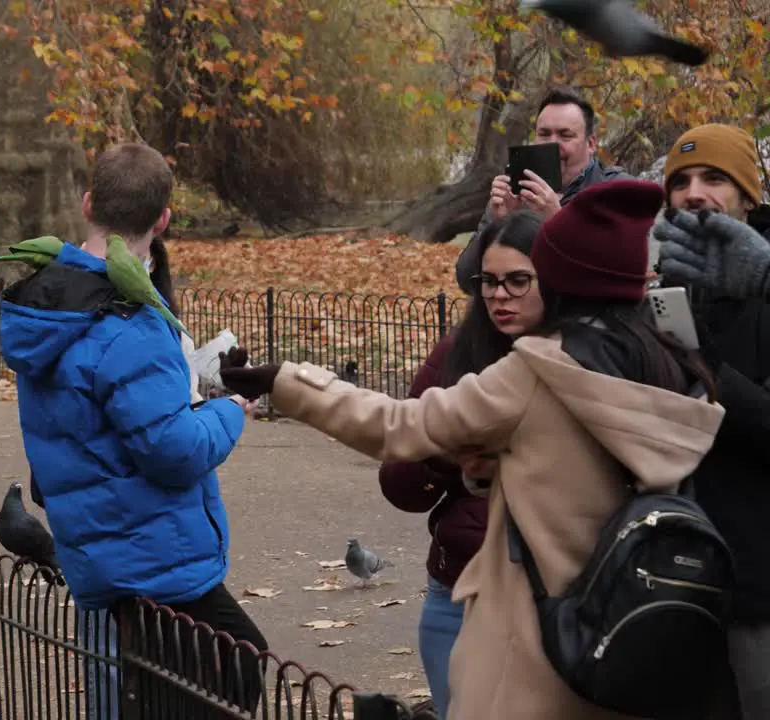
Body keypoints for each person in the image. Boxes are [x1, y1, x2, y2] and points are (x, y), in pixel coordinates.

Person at [222, 179, 725, 720]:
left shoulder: (538, 373)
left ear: (562, 280)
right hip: (631, 638)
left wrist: (286, 381)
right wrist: (496, 471)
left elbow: (399, 426)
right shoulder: (674, 369)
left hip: (537, 657)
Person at [0, 142, 267, 717]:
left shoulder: (49, 305)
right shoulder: (128, 323)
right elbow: (171, 450)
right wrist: (228, 413)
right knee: (228, 669)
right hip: (151, 554)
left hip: (97, 542)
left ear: (88, 203)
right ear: (163, 219)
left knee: (139, 687)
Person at [378, 210, 545, 719]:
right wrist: (447, 459)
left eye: (517, 280)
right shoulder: (457, 353)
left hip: (551, 601)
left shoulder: (582, 359)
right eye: (489, 282)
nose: (499, 295)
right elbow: (398, 480)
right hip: (456, 591)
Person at [651, 123, 770, 718]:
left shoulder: (765, 289)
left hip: (758, 598)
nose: (695, 193)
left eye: (715, 178)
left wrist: (710, 368)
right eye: (682, 182)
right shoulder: (659, 295)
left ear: (749, 196)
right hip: (670, 588)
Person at [455, 87, 629, 293]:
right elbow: (467, 279)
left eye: (565, 135)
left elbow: (620, 279)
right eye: (544, 134)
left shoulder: (618, 191)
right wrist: (499, 223)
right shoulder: (515, 191)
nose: (553, 144)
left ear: (590, 144)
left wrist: (558, 222)